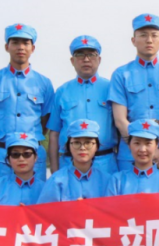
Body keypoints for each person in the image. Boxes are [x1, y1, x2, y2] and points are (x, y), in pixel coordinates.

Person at [0, 23, 54, 184]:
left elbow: (45, 120)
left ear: (33, 48)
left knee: (35, 197)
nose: (21, 47)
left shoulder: (44, 83)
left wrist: (28, 143)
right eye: (15, 42)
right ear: (7, 47)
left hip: (32, 154)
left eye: (25, 43)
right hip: (0, 153)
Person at [109, 13, 159, 176]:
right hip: (130, 152)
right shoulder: (121, 74)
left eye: (154, 35)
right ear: (133, 40)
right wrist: (140, 148)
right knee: (127, 192)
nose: (149, 40)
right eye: (143, 35)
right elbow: (120, 119)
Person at [47, 35, 117, 175]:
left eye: (91, 54)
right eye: (80, 54)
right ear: (72, 61)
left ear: (99, 59)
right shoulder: (62, 91)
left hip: (105, 163)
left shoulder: (112, 89)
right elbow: (54, 134)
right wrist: (54, 170)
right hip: (69, 164)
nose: (86, 59)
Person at [37, 119, 110, 202]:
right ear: (68, 146)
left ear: (97, 146)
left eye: (88, 143)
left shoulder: (106, 180)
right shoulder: (56, 181)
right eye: (77, 143)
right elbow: (44, 209)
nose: (82, 148)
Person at [106, 119, 159, 196]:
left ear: (156, 145)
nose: (142, 149)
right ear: (129, 145)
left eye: (148, 143)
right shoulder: (117, 181)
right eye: (137, 143)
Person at [0, 132, 47, 206]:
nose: (21, 159)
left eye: (27, 154)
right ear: (8, 159)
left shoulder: (45, 189)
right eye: (15, 154)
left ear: (35, 157)